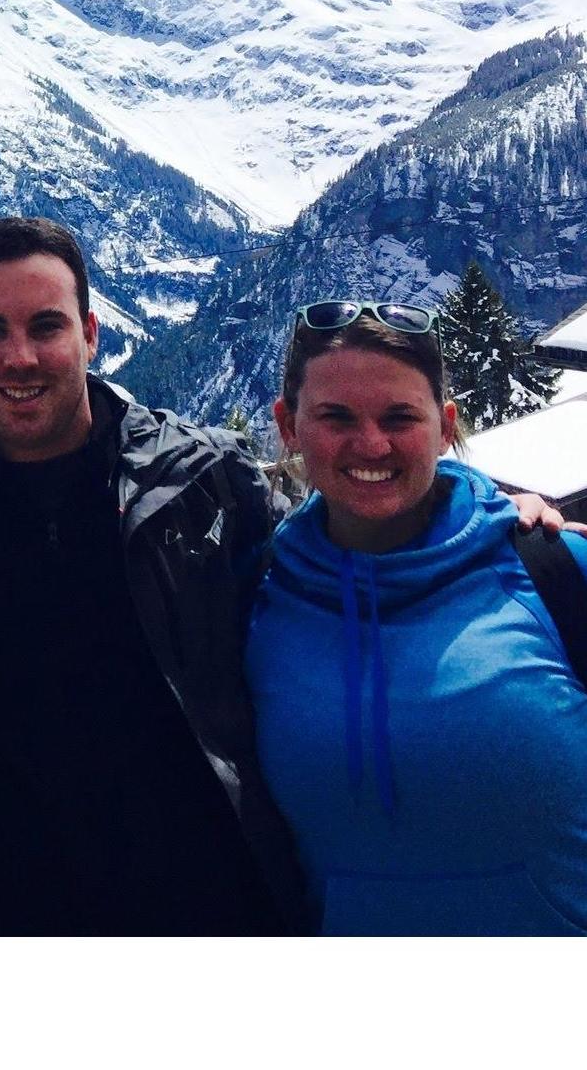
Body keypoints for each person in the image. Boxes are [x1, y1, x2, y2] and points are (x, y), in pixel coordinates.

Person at [0, 215, 310, 935]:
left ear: (90, 333)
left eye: (45, 325)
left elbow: (350, 554)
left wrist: (485, 514)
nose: (20, 356)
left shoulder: (203, 483)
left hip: (204, 907)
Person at [245, 300, 587, 934]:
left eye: (401, 417)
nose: (371, 443)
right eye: (335, 417)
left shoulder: (556, 571)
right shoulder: (252, 595)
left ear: (446, 425)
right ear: (288, 426)